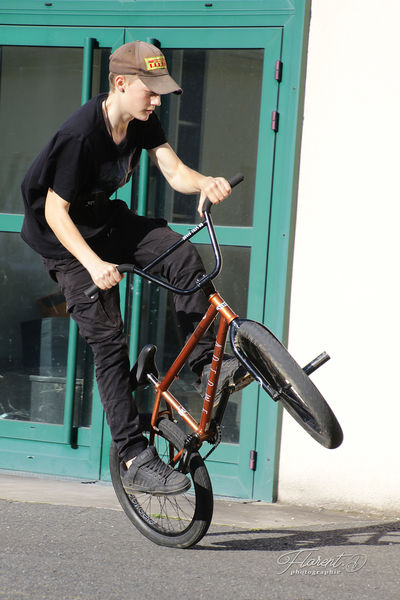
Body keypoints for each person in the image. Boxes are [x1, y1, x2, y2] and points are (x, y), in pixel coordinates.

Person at [21, 40, 252, 496]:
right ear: (121, 83)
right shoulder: (80, 136)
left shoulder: (143, 118)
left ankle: (209, 364)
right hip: (66, 242)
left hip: (104, 221)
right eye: (151, 90)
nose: (158, 99)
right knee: (108, 341)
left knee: (182, 255)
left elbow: (173, 170)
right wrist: (93, 264)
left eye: (161, 90)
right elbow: (53, 211)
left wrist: (206, 182)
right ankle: (132, 454)